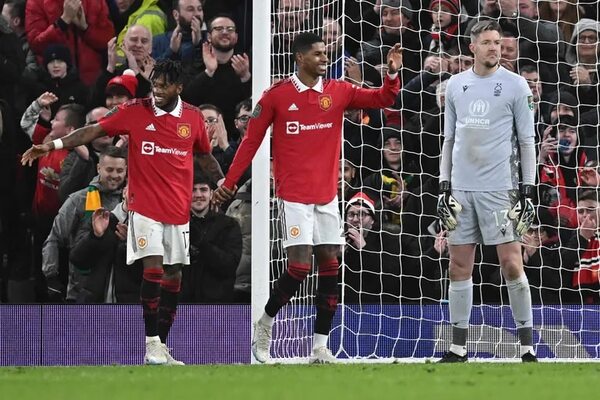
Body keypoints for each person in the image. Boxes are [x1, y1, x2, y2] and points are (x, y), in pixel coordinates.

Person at [213, 32, 402, 364]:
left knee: (330, 267)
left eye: (325, 52)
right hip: (294, 197)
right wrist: (229, 184)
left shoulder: (339, 91)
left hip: (327, 197)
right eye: (318, 53)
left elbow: (383, 99)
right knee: (300, 267)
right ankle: (266, 324)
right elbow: (250, 142)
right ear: (299, 58)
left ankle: (320, 347)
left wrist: (391, 74)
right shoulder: (276, 96)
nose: (325, 58)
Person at [22, 59, 224, 365]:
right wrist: (52, 146)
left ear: (178, 87)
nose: (156, 89)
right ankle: (151, 342)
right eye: (154, 83)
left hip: (177, 210)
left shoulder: (193, 118)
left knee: (173, 274)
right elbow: (92, 131)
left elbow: (206, 157)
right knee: (153, 268)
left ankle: (161, 346)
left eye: (164, 85)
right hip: (144, 207)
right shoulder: (134, 111)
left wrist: (223, 181)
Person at [436, 20, 538, 363]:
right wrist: (443, 184)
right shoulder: (455, 85)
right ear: (472, 47)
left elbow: (527, 141)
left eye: (498, 43)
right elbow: (449, 139)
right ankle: (458, 347)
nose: (495, 48)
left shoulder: (516, 86)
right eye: (488, 43)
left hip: (500, 189)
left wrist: (528, 188)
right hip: (461, 190)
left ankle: (526, 346)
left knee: (511, 263)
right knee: (458, 266)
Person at [181, 170, 242, 303]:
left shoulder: (229, 225)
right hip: (182, 305)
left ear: (211, 194)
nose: (198, 195)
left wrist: (202, 244)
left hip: (217, 305)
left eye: (203, 190)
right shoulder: (176, 226)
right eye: (193, 190)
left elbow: (229, 265)